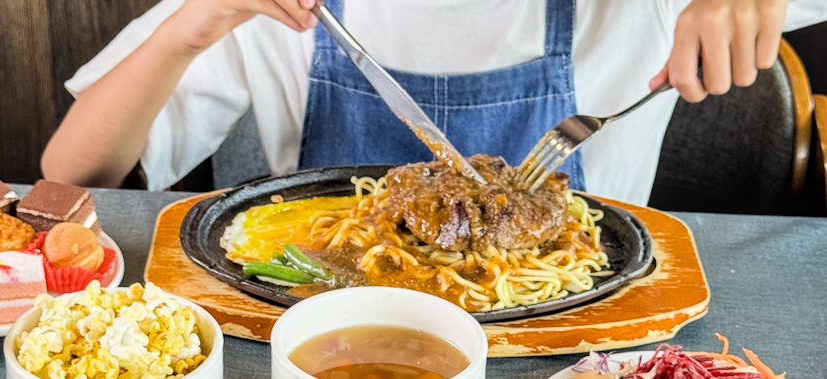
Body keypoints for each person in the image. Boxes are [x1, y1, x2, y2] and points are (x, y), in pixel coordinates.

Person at [41, 0, 827, 205]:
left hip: (575, 360)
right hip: (323, 343)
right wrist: (190, 27)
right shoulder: (275, 13)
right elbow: (71, 171)